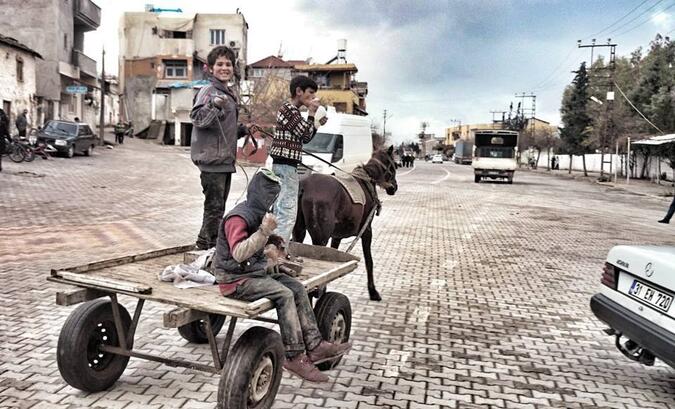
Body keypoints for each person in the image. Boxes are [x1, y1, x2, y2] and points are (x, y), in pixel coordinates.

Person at [213, 168, 351, 382]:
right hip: (234, 280)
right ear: (261, 195)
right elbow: (239, 253)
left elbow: (257, 244)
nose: (274, 200)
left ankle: (315, 346)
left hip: (253, 273)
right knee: (284, 295)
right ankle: (295, 356)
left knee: (295, 287)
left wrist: (272, 241)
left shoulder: (258, 213)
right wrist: (264, 232)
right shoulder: (239, 217)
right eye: (271, 195)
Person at [190, 45, 249, 250]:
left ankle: (205, 245)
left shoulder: (227, 92)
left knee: (217, 208)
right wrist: (213, 105)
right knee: (214, 208)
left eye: (228, 64)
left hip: (224, 161)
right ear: (210, 68)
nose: (225, 68)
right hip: (212, 161)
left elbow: (220, 126)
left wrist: (240, 130)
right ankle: (209, 250)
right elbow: (197, 119)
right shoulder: (209, 91)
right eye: (220, 64)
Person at [270, 75, 327, 246]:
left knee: (280, 209)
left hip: (286, 165)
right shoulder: (288, 110)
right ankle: (279, 251)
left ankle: (275, 248)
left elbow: (306, 136)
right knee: (287, 211)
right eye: (310, 93)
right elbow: (304, 134)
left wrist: (315, 124)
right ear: (299, 91)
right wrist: (311, 114)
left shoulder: (291, 111)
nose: (313, 98)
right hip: (286, 166)